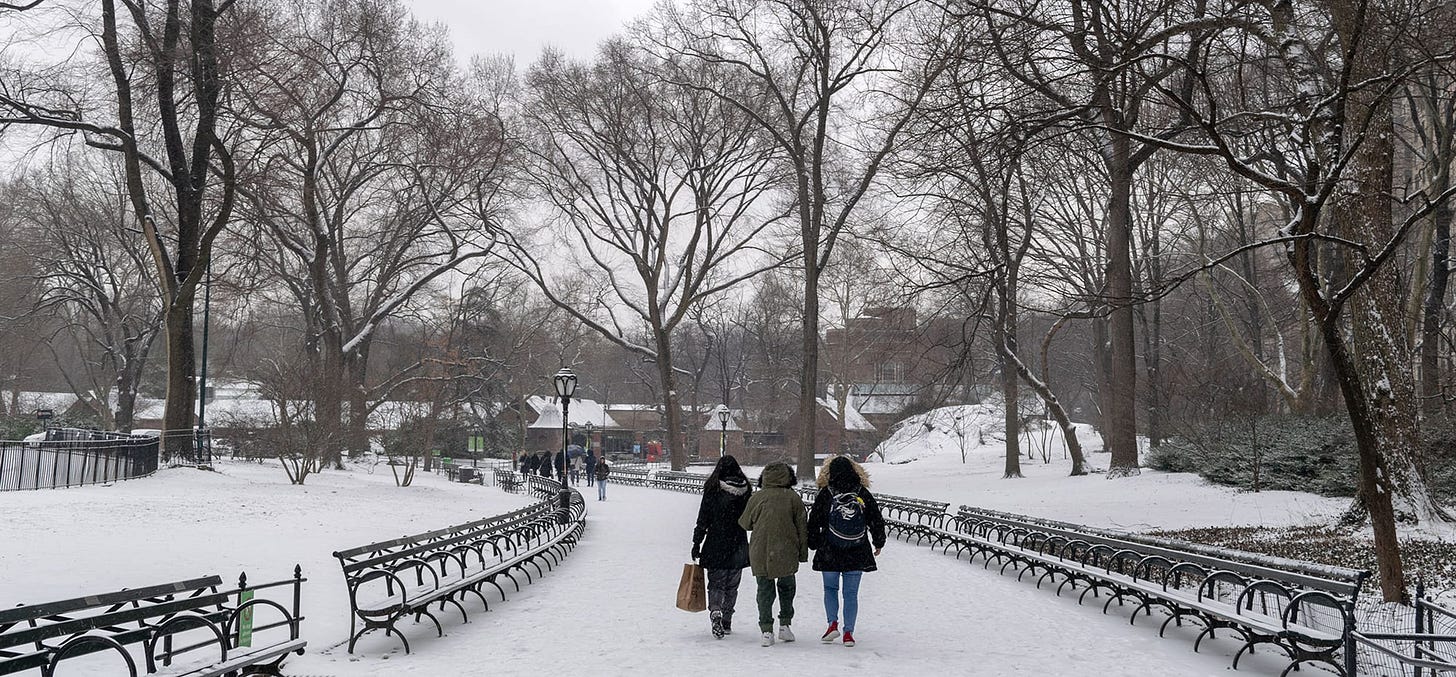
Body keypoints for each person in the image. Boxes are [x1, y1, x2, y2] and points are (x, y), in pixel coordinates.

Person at [807, 455, 886, 648]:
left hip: (829, 549)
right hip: (856, 549)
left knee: (830, 589)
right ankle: (848, 633)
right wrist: (878, 542)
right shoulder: (862, 493)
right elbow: (875, 518)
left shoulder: (826, 493)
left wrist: (814, 542)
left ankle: (832, 623)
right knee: (851, 594)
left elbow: (813, 521)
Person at [738, 461, 807, 647]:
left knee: (764, 590)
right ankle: (785, 625)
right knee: (787, 587)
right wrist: (802, 554)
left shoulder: (757, 497)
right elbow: (802, 527)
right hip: (787, 548)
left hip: (760, 550)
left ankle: (766, 629)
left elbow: (745, 523)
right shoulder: (793, 498)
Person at [691, 455, 752, 639]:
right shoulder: (746, 490)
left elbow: (703, 518)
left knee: (716, 583)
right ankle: (727, 619)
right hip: (738, 543)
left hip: (715, 542)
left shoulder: (713, 489)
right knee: (732, 586)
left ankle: (715, 611)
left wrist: (696, 542)